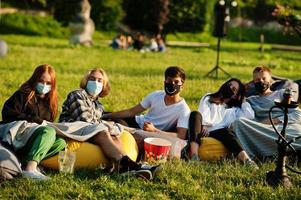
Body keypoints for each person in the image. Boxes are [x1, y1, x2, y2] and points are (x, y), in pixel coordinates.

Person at [59, 68, 160, 180]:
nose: (95, 83)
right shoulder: (77, 94)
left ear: (104, 85)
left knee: (114, 135)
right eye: (92, 79)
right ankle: (127, 166)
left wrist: (111, 126)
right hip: (71, 131)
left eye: (99, 80)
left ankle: (125, 165)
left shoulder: (98, 105)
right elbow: (86, 121)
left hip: (86, 132)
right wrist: (108, 125)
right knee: (102, 132)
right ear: (86, 81)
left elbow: (95, 123)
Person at [103, 66, 197, 159]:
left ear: (182, 87)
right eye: (169, 81)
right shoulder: (156, 95)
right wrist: (106, 114)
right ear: (165, 82)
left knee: (116, 127)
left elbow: (181, 135)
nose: (172, 84)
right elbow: (131, 111)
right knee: (108, 118)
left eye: (176, 82)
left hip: (151, 133)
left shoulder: (183, 109)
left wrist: (154, 130)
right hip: (137, 122)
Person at [1, 64, 66, 180]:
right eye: (41, 81)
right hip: (18, 133)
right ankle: (30, 169)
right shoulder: (23, 94)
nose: (44, 85)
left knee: (61, 142)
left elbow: (48, 122)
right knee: (48, 131)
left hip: (32, 139)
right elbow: (7, 114)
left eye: (48, 83)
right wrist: (34, 120)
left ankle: (26, 162)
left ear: (53, 84)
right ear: (35, 79)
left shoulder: (51, 102)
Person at [232, 66, 301, 161]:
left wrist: (272, 121)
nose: (261, 81)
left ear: (270, 80)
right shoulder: (250, 100)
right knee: (238, 123)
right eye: (257, 79)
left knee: (298, 133)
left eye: (264, 78)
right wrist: (242, 95)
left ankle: (278, 153)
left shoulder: (281, 93)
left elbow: (298, 115)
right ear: (253, 82)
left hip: (284, 128)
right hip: (262, 131)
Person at [188, 78, 257, 165]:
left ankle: (246, 160)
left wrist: (243, 99)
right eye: (230, 84)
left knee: (227, 132)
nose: (230, 87)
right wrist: (204, 125)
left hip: (219, 133)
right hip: (202, 129)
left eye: (234, 89)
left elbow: (250, 116)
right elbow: (203, 112)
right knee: (195, 114)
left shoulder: (235, 110)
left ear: (235, 96)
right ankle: (194, 156)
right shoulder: (209, 97)